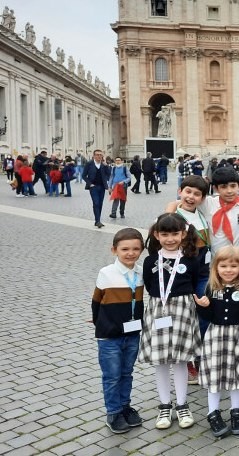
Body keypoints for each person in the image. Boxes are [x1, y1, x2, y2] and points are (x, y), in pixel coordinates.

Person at [139, 213, 201, 430]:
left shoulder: (191, 260)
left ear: (183, 234)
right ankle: (165, 405)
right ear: (157, 235)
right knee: (161, 360)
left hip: (183, 310)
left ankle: (182, 404)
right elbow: (149, 286)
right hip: (158, 310)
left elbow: (193, 283)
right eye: (164, 234)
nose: (170, 239)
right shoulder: (149, 261)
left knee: (181, 360)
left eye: (175, 234)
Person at [193, 246, 239, 437]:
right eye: (223, 266)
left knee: (236, 375)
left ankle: (236, 410)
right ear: (216, 267)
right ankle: (212, 413)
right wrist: (203, 308)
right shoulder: (211, 287)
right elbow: (207, 316)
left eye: (233, 266)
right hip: (216, 336)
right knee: (216, 375)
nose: (228, 270)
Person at [91, 228, 146, 433]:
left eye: (135, 249)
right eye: (125, 249)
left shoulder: (140, 273)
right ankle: (113, 412)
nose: (130, 253)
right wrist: (98, 321)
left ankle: (125, 406)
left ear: (141, 250)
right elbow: (96, 301)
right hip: (110, 336)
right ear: (114, 250)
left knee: (127, 372)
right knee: (112, 375)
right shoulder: (106, 273)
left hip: (132, 333)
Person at [173, 175, 212, 384]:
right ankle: (187, 360)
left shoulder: (202, 215)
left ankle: (200, 358)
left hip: (204, 273)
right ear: (180, 191)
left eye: (197, 194)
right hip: (183, 275)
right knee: (185, 318)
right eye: (188, 192)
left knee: (204, 316)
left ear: (202, 198)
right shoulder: (173, 217)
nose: (191, 196)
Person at [83, 150, 111, 228]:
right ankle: (97, 221)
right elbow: (84, 175)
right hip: (93, 187)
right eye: (97, 155)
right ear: (94, 155)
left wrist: (106, 165)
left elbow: (109, 174)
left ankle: (98, 220)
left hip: (102, 186)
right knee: (96, 203)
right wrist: (89, 184)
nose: (99, 156)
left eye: (101, 155)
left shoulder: (103, 164)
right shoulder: (89, 164)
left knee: (100, 204)